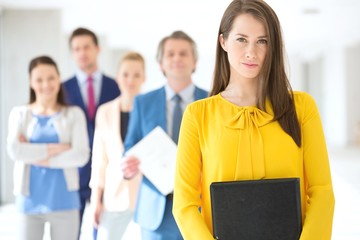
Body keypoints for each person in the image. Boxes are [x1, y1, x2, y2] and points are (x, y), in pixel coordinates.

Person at [172, 0, 335, 239]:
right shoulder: (198, 115)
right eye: (241, 39)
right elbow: (184, 204)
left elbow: (322, 192)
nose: (252, 52)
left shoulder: (302, 108)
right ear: (223, 41)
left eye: (263, 41)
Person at [122, 30, 208, 240]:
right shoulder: (143, 103)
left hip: (200, 207)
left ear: (194, 61)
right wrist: (128, 166)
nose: (176, 58)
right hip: (155, 210)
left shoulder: (212, 102)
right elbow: (130, 146)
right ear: (160, 64)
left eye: (183, 53)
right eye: (170, 54)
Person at [7, 56, 90, 240]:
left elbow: (81, 155)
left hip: (65, 200)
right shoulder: (19, 114)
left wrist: (35, 154)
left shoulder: (74, 114)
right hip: (28, 202)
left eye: (51, 78)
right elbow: (15, 151)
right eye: (39, 79)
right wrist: (57, 148)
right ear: (30, 82)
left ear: (59, 78)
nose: (46, 84)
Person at [62, 27, 120, 239]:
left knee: (102, 231)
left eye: (86, 47)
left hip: (105, 170)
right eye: (76, 48)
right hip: (73, 171)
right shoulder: (62, 89)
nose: (82, 52)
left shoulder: (115, 86)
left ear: (97, 49)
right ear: (72, 53)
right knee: (69, 232)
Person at [89, 52, 146, 240]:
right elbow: (100, 160)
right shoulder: (104, 112)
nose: (131, 80)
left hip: (145, 194)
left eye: (137, 75)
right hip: (113, 196)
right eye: (125, 74)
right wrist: (96, 200)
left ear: (144, 78)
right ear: (117, 78)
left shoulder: (150, 110)